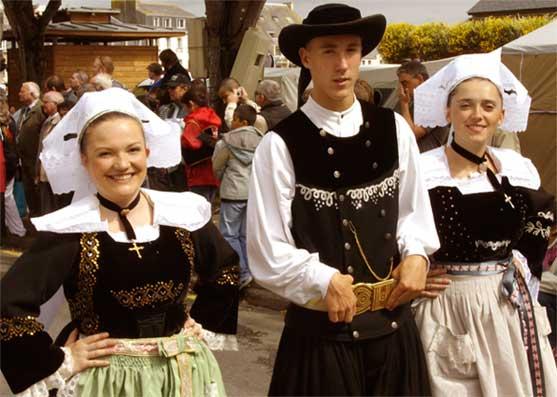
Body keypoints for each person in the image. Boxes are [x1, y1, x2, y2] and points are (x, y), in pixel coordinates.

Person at [247, 4, 439, 396]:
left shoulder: (393, 129)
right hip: (319, 341)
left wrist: (418, 254)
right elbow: (267, 248)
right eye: (329, 50)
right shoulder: (280, 143)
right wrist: (323, 278)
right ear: (306, 57)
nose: (342, 64)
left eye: (351, 50)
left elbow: (413, 213)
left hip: (392, 331)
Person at [0, 88, 239, 396]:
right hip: (106, 382)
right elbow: (8, 304)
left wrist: (202, 321)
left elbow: (226, 267)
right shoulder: (72, 230)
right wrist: (59, 358)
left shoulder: (181, 215)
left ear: (147, 153)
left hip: (182, 374)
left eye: (132, 150)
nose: (122, 164)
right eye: (105, 153)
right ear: (84, 161)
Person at [412, 50, 557, 396]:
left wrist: (523, 273)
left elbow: (534, 236)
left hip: (508, 308)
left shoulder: (517, 168)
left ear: (502, 115)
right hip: (448, 308)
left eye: (488, 106)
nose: (477, 115)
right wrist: (412, 271)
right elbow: (400, 234)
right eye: (465, 105)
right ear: (447, 111)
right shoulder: (422, 170)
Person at [213, 104, 264, 290]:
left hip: (232, 192)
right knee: (244, 234)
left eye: (234, 119)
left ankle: (242, 271)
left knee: (229, 233)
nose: (231, 122)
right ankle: (249, 269)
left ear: (241, 121)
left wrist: (222, 180)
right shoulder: (263, 140)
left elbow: (217, 166)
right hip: (252, 193)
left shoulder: (226, 141)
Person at [397, 60, 450, 153]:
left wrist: (404, 105)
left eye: (405, 83)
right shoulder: (417, 103)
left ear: (420, 79)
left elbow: (411, 135)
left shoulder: (434, 103)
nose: (402, 88)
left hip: (428, 161)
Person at [181, 85, 221, 204]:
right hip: (213, 171)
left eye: (185, 107)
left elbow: (190, 144)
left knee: (198, 213)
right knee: (208, 208)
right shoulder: (213, 117)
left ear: (191, 104)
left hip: (198, 175)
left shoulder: (193, 122)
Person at [35, 91, 71, 215]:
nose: (43, 105)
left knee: (58, 207)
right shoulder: (48, 121)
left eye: (46, 102)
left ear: (55, 104)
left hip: (59, 173)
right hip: (46, 170)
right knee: (47, 206)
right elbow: (42, 147)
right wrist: (37, 170)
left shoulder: (66, 123)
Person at [16, 81, 46, 217]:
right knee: (29, 193)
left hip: (35, 160)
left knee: (37, 194)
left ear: (32, 94)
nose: (19, 94)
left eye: (22, 91)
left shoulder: (41, 110)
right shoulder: (23, 111)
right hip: (24, 161)